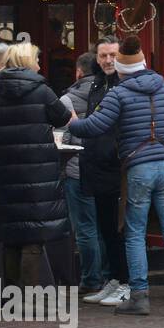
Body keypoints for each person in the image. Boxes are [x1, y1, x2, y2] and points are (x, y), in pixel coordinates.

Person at [69, 35, 164, 317]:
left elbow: (95, 126)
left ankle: (139, 295)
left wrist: (72, 122)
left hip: (138, 167)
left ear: (123, 69)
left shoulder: (119, 93)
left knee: (135, 232)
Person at [0, 42, 73, 291]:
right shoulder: (41, 90)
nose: (40, 64)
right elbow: (62, 117)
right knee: (34, 238)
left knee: (11, 236)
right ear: (28, 62)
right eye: (37, 60)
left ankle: (10, 292)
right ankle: (29, 295)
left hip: (5, 171)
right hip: (38, 172)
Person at [77, 37, 129, 307]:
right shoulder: (97, 83)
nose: (108, 60)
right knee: (106, 228)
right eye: (103, 55)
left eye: (112, 55)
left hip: (119, 168)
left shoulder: (126, 84)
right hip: (96, 165)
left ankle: (126, 282)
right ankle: (114, 280)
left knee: (122, 229)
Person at [60, 52, 104, 294]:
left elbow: (61, 139)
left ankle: (91, 278)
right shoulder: (108, 95)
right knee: (103, 225)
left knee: (85, 227)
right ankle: (108, 275)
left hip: (76, 169)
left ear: (79, 72)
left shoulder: (66, 101)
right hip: (102, 168)